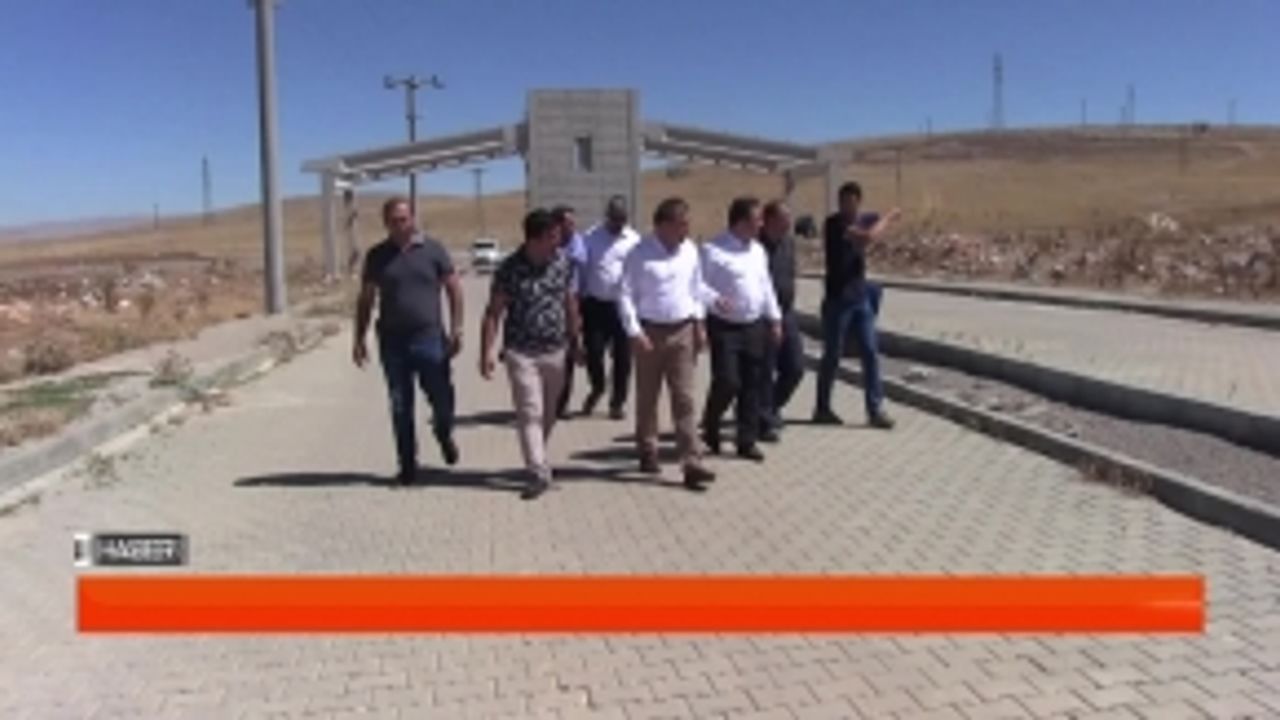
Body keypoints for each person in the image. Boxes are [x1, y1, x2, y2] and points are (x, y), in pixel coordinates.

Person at [353, 197, 463, 485]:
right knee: (400, 405)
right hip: (393, 343)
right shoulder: (377, 256)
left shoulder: (433, 250)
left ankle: (443, 432)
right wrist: (359, 337)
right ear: (385, 223)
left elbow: (454, 289)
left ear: (412, 219)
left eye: (404, 220)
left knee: (442, 399)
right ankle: (408, 465)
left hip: (430, 339)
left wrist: (457, 329)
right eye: (393, 221)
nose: (400, 226)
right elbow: (366, 298)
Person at [479, 209, 581, 500]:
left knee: (548, 413)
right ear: (534, 239)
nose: (558, 242)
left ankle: (538, 454)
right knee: (529, 411)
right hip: (521, 352)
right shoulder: (509, 269)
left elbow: (569, 302)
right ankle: (537, 470)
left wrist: (577, 340)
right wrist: (486, 352)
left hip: (556, 350)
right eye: (552, 237)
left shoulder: (562, 263)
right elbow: (493, 312)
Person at [616, 197, 717, 490]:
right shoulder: (639, 254)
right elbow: (625, 295)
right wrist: (634, 332)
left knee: (684, 398)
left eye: (687, 224)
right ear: (663, 225)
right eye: (682, 224)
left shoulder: (690, 250)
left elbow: (696, 288)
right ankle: (648, 448)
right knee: (648, 397)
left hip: (683, 330)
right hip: (649, 333)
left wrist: (704, 316)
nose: (687, 229)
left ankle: (691, 461)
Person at [698, 197, 783, 462]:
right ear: (741, 222)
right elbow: (697, 285)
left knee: (752, 385)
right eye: (757, 219)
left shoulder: (758, 251)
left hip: (754, 325)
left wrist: (775, 319)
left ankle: (746, 441)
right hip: (724, 327)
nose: (761, 224)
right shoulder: (713, 251)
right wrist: (711, 305)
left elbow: (765, 286)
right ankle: (711, 420)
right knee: (728, 381)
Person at [813, 181, 900, 429]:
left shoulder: (863, 219)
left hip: (860, 299)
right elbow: (867, 237)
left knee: (870, 352)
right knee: (832, 354)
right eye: (843, 202)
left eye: (852, 203)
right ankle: (822, 407)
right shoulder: (834, 224)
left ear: (858, 203)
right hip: (837, 300)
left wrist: (883, 217)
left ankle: (875, 409)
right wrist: (889, 218)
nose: (847, 207)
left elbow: (872, 221)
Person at [579, 195, 641, 419]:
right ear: (607, 216)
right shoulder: (591, 237)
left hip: (622, 307)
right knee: (594, 353)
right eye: (615, 219)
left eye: (622, 220)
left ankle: (617, 403)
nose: (618, 224)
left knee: (623, 358)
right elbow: (582, 269)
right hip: (595, 306)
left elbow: (639, 273)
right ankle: (598, 386)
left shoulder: (634, 240)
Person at [757, 200, 804, 442]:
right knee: (765, 371)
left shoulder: (788, 243)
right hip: (763, 317)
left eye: (789, 218)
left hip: (786, 313)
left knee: (795, 368)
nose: (789, 223)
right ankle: (764, 420)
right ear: (770, 220)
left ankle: (769, 406)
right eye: (784, 218)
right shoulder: (755, 246)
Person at [550, 205, 587, 420]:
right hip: (549, 307)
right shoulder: (548, 244)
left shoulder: (578, 244)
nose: (572, 226)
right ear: (557, 224)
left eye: (573, 222)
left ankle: (561, 405)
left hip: (574, 304)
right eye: (568, 223)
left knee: (569, 358)